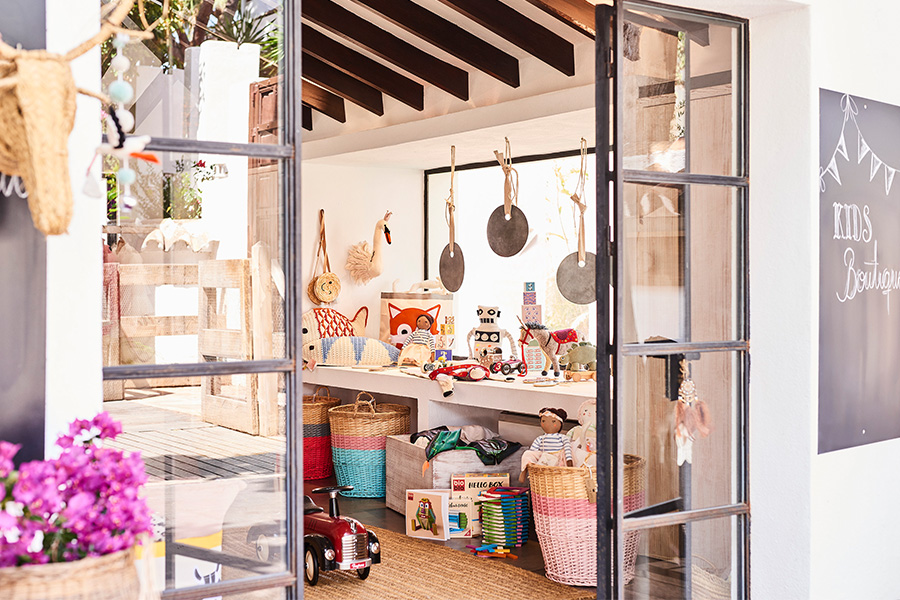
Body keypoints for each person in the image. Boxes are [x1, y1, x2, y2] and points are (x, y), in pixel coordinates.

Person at [519, 407, 573, 482]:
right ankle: (524, 470)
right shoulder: (541, 438)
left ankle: (568, 472)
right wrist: (533, 457)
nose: (548, 424)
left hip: (559, 457)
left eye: (553, 421)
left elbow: (567, 447)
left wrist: (569, 459)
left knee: (570, 449)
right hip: (544, 456)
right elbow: (533, 450)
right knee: (527, 453)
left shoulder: (562, 437)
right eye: (543, 421)